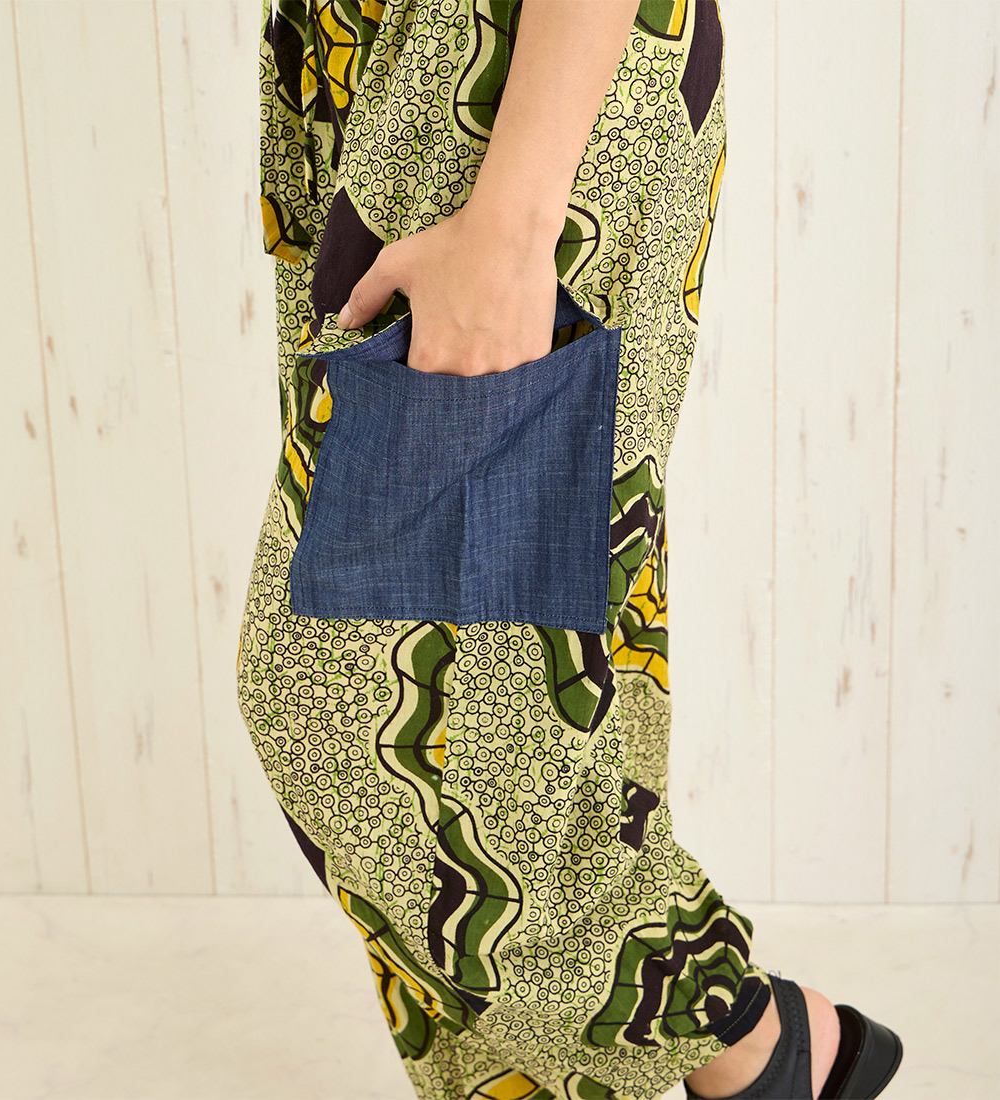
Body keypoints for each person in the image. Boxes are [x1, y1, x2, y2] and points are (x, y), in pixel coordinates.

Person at [237, 2, 904, 1097]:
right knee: (515, 708)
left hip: (503, 73)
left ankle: (746, 1034)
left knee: (358, 714)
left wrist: (510, 225)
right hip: (367, 64)